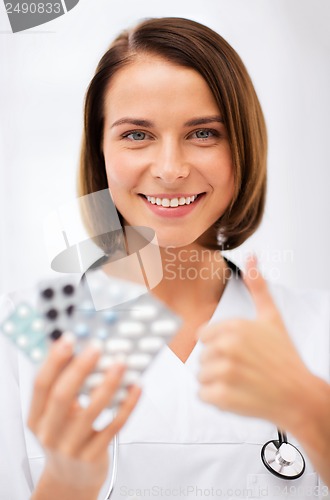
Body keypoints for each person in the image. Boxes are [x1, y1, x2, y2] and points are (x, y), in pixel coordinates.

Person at [0, 17, 329, 500]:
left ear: (243, 145)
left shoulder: (319, 331)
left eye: (204, 134)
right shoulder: (17, 339)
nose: (172, 169)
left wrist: (310, 412)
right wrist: (66, 486)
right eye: (137, 135)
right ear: (102, 152)